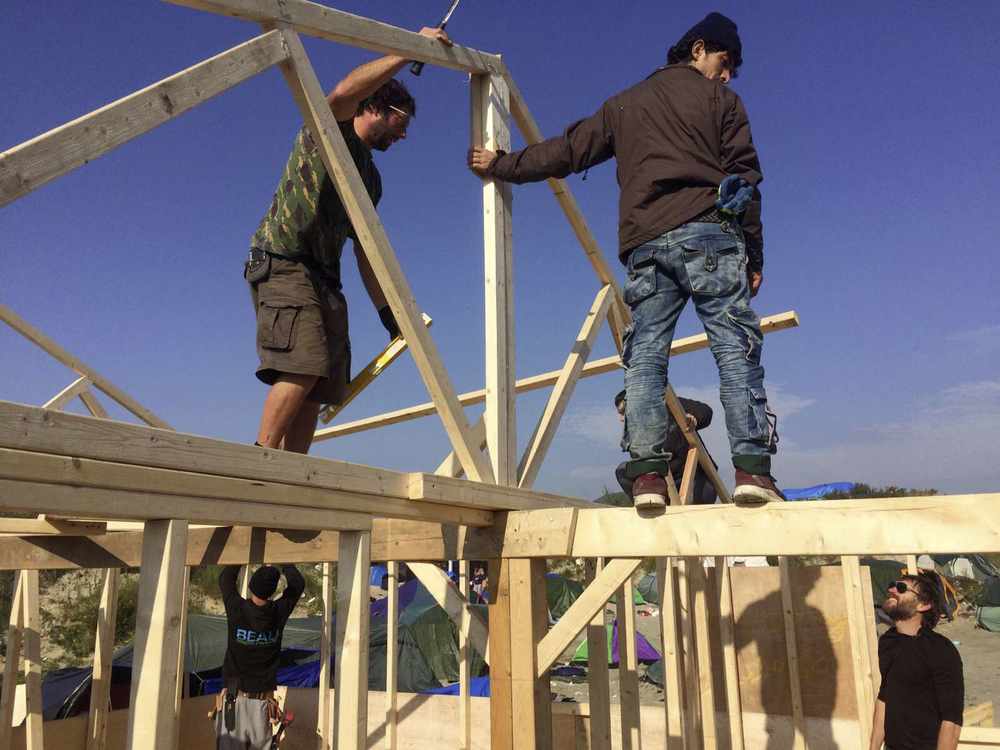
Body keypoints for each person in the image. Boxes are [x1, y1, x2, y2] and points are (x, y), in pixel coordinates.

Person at [467, 13, 782, 505]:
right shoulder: (722, 101)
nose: (727, 75)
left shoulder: (623, 105)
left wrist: (503, 164)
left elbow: (568, 152)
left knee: (646, 358)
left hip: (647, 243)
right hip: (710, 234)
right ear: (698, 49)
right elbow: (745, 182)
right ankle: (752, 471)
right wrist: (755, 253)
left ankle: (648, 477)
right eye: (725, 62)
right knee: (734, 347)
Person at [247, 27, 453, 453]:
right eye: (401, 123)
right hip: (286, 260)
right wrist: (409, 50)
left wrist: (389, 315)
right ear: (376, 106)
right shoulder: (330, 129)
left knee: (322, 382)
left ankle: (293, 477)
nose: (404, 135)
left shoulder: (371, 180)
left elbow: (366, 250)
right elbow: (341, 92)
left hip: (326, 277)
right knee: (302, 365)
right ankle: (260, 464)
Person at [869, 572, 963, 750]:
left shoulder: (941, 650)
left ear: (924, 605)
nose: (891, 590)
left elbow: (951, 721)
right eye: (892, 584)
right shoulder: (888, 641)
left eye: (901, 588)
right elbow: (884, 697)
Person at [215, 565, 306, 749]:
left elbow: (225, 578)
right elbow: (297, 584)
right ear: (272, 592)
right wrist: (284, 562)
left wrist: (243, 554)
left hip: (234, 702)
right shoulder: (278, 612)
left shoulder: (237, 608)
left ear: (251, 586)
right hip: (261, 705)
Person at [611, 389, 717, 505]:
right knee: (622, 470)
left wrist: (693, 417)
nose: (621, 419)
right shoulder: (637, 435)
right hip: (665, 484)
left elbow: (706, 410)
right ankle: (648, 505)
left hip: (697, 480)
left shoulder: (668, 405)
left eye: (623, 412)